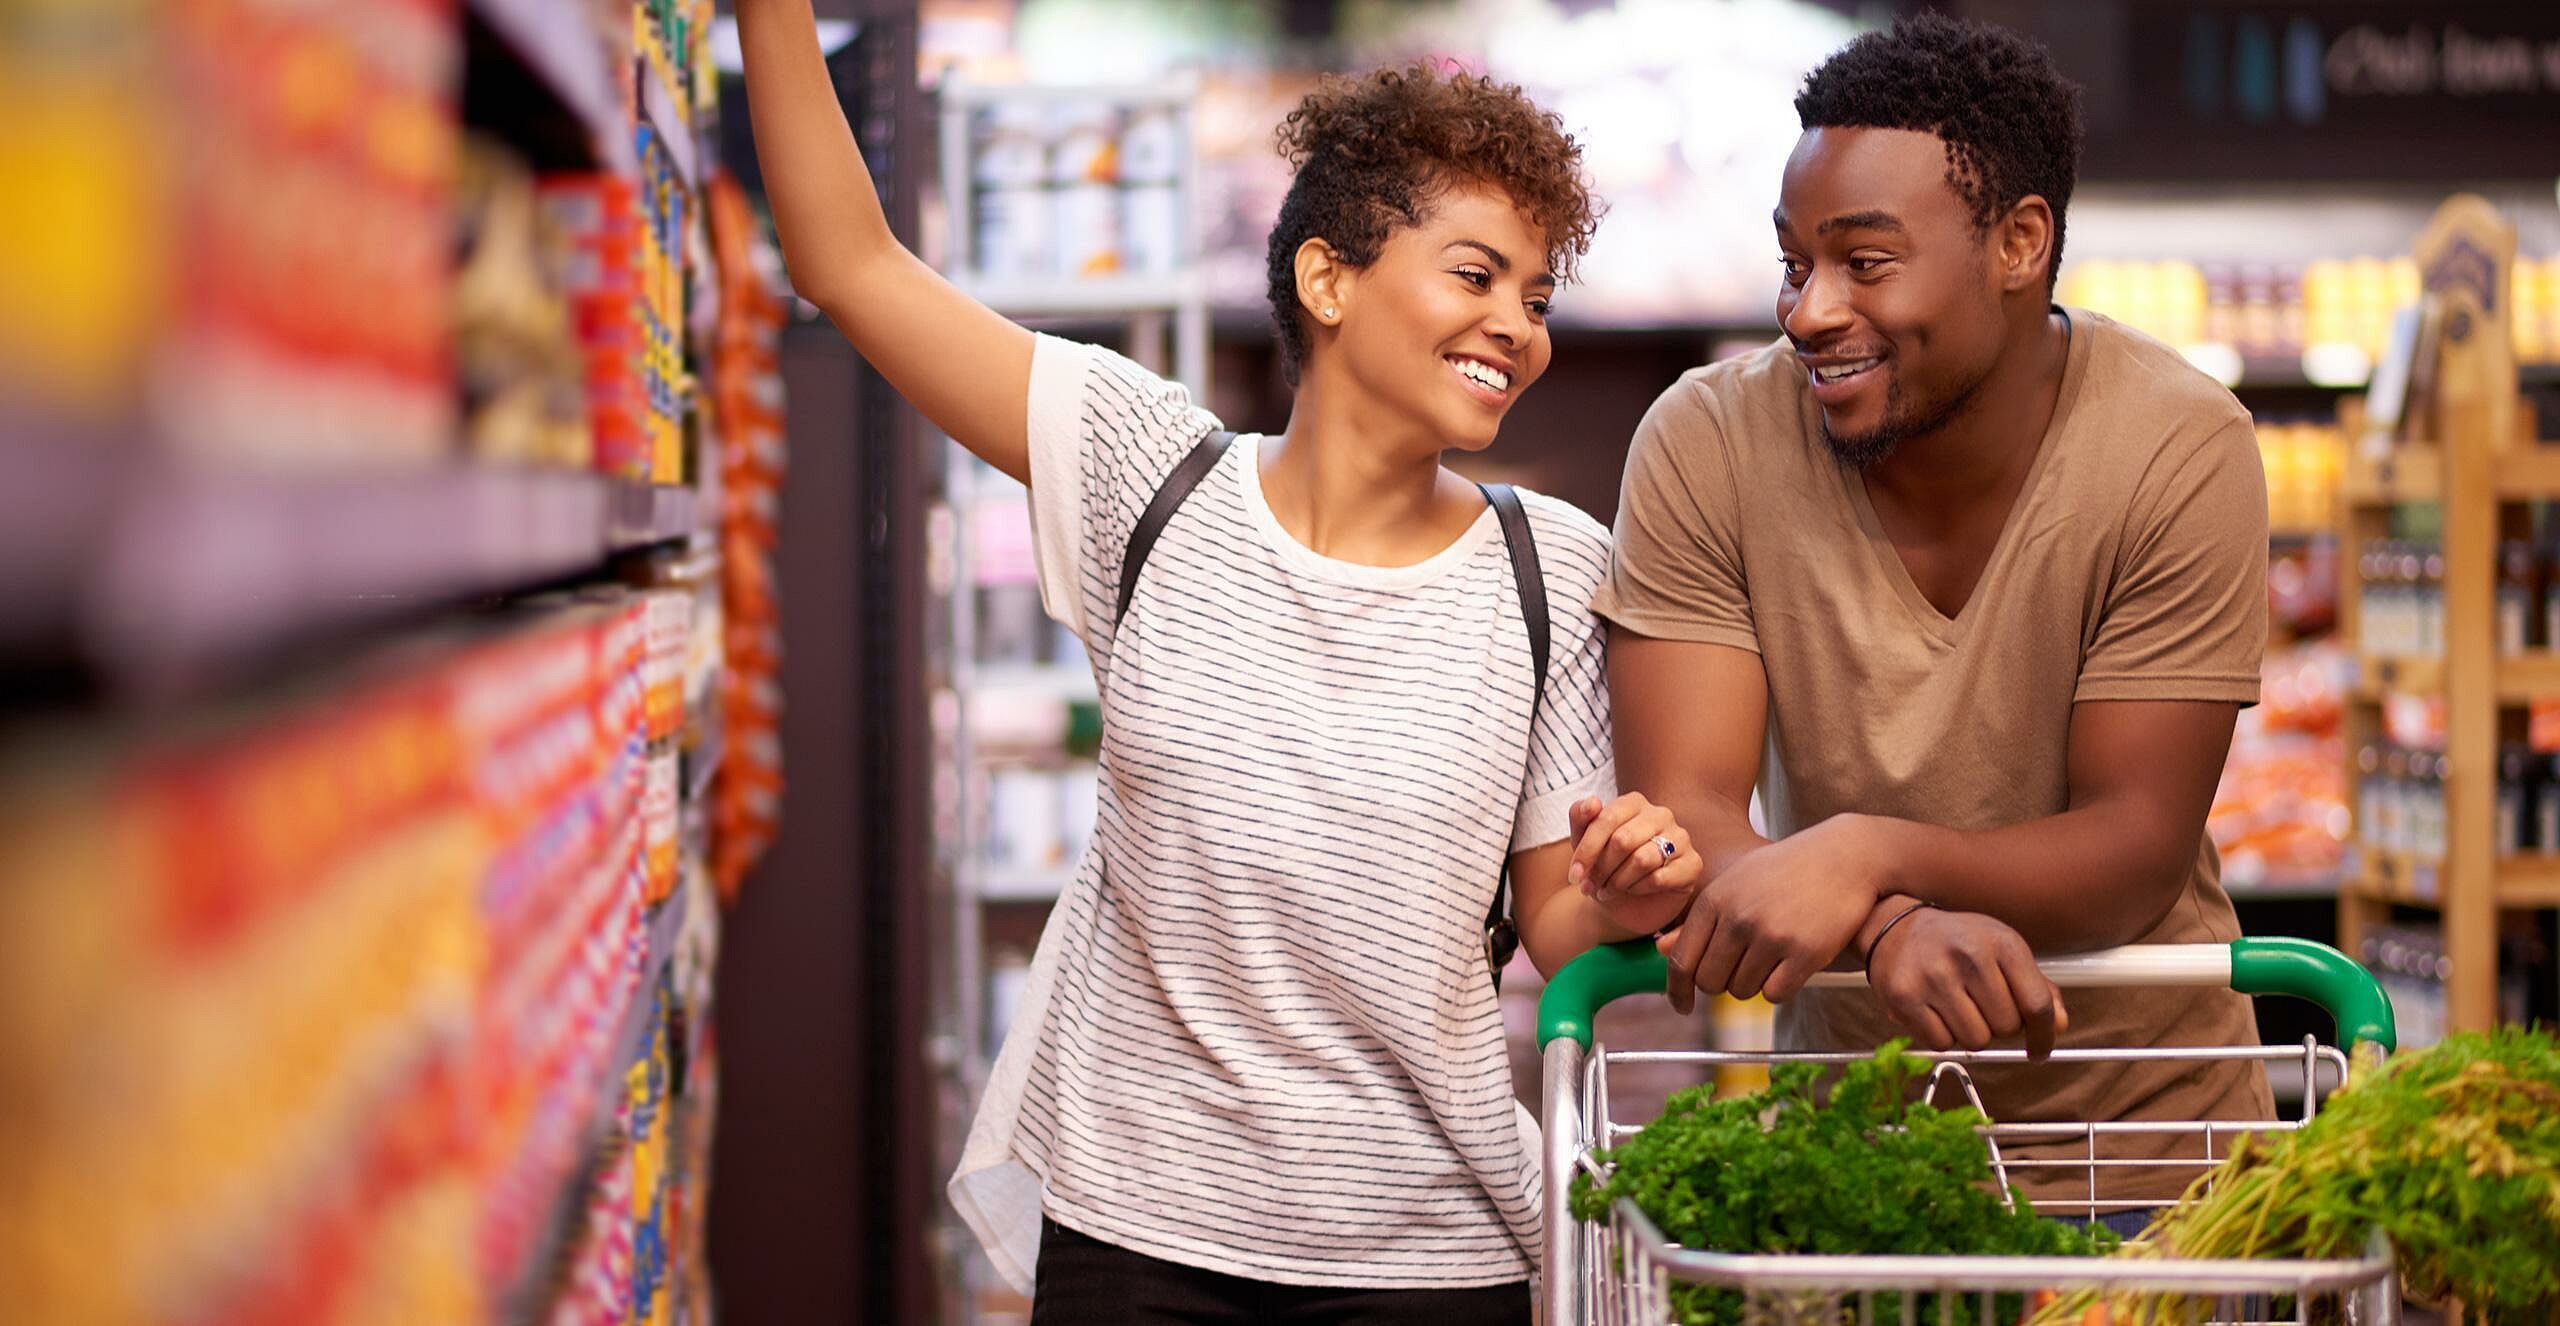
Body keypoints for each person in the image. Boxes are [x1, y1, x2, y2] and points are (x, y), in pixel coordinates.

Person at [737, 4, 1706, 1319]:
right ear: (1329, 278)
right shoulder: (1149, 473)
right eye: (1477, 276)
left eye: (1536, 296)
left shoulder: (1547, 570)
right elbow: (850, 266)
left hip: (1424, 1253)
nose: (1519, 328)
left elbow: (1553, 921)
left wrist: (1625, 888)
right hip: (1135, 1231)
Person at [1587, 13, 2276, 1230]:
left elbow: (2132, 846)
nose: (1806, 310)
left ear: (2017, 243)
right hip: (1858, 1154)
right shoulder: (1705, 442)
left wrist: (1865, 854)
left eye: (1864, 260)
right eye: (1795, 263)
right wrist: (1893, 912)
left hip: (2163, 1168)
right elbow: (1686, 819)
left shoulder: (2176, 443)